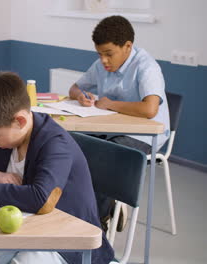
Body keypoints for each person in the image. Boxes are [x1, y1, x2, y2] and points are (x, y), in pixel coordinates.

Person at [0, 72, 114, 264]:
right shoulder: (5, 134)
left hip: (68, 240)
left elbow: (40, 198)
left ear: (20, 121)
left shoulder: (55, 143)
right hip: (25, 229)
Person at [68, 15, 170, 232]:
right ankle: (85, 210)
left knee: (103, 157)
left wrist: (112, 104)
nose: (104, 60)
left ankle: (98, 221)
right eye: (99, 54)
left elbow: (150, 109)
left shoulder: (147, 67)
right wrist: (81, 96)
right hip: (109, 129)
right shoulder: (101, 64)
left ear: (127, 46)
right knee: (73, 148)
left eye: (108, 54)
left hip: (145, 136)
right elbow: (75, 88)